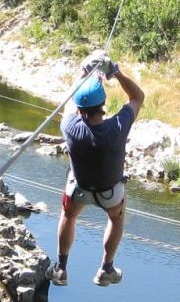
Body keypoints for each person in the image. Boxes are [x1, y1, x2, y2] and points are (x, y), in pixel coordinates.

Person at [50, 50, 145, 287]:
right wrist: (115, 72)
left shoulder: (69, 125)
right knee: (116, 220)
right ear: (103, 105)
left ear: (80, 109)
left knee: (68, 215)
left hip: (79, 189)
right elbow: (137, 97)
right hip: (110, 194)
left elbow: (70, 102)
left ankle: (61, 268)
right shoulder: (117, 127)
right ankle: (106, 269)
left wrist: (84, 74)